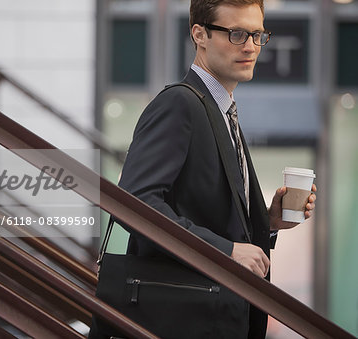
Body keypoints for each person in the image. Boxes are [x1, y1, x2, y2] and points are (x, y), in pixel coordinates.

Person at [96, 0, 316, 338]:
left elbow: (208, 215)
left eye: (258, 35)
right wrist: (226, 251)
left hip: (212, 316)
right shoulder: (180, 104)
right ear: (199, 34)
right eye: (237, 34)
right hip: (183, 319)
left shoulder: (220, 110)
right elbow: (135, 203)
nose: (251, 47)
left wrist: (268, 223)